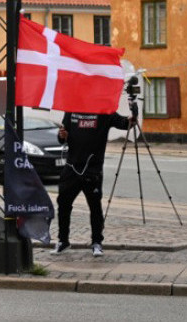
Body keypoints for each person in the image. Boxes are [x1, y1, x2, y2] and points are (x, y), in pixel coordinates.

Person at [51, 110, 133, 257]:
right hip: (72, 167)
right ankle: (63, 241)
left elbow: (125, 124)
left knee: (95, 207)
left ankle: (96, 242)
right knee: (63, 204)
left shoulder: (104, 110)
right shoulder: (71, 110)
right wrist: (61, 136)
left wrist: (134, 114)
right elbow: (63, 136)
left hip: (92, 168)